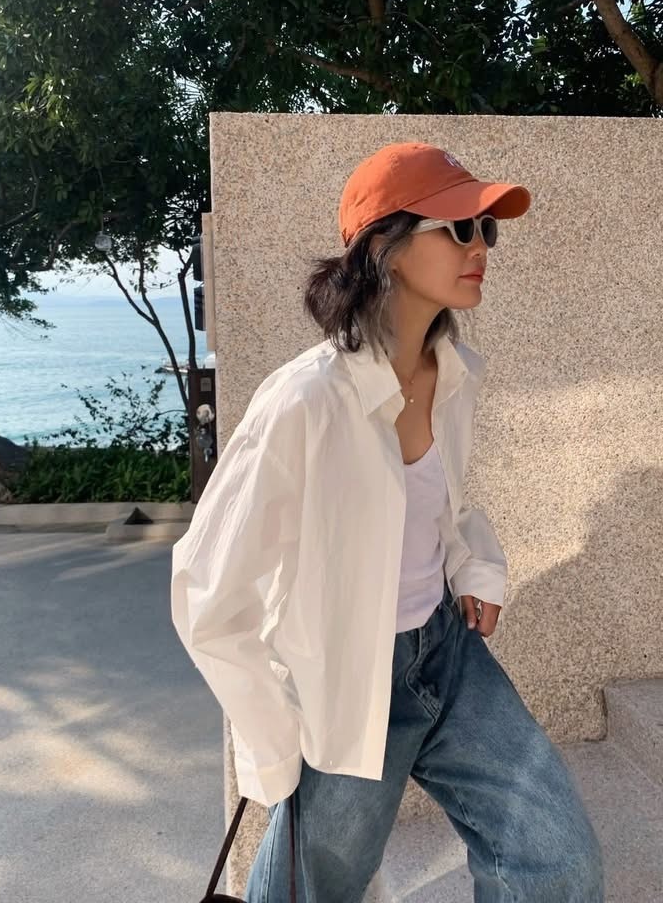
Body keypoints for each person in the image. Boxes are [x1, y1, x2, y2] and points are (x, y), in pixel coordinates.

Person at [171, 142, 605, 903]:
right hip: (347, 678)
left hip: (448, 653)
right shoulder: (304, 402)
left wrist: (475, 568)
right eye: (459, 228)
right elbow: (207, 588)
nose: (480, 248)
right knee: (316, 890)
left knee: (558, 862)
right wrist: (275, 741)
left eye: (486, 230)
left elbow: (447, 504)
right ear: (386, 247)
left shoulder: (455, 374)